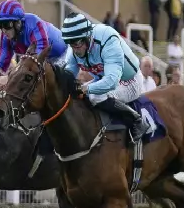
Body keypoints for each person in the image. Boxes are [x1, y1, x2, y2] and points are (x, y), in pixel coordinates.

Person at [60, 12, 145, 146]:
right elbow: (67, 74)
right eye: (70, 43)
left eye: (76, 43)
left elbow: (111, 81)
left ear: (87, 37)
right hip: (102, 79)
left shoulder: (107, 38)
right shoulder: (75, 47)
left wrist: (85, 88)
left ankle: (136, 120)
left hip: (130, 81)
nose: (75, 50)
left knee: (95, 97)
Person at [0, 0, 67, 80]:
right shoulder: (6, 33)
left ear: (18, 23)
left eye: (6, 24)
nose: (3, 30)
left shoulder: (34, 24)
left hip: (62, 54)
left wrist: (10, 77)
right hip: (45, 59)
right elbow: (1, 63)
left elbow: (37, 59)